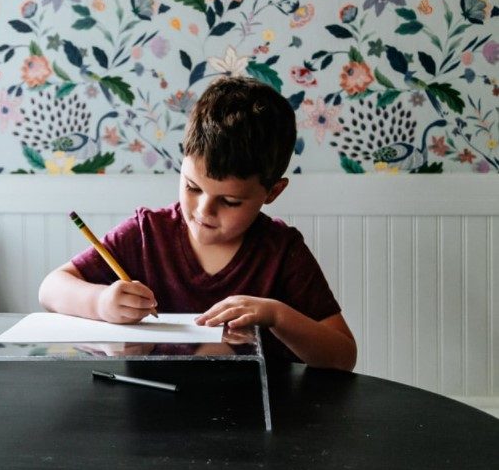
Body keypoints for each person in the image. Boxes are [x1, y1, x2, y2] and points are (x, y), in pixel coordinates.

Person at [38, 76, 357, 371]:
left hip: (251, 420)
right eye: (192, 187)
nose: (204, 210)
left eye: (230, 201)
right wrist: (102, 302)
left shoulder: (281, 251)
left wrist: (277, 316)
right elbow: (51, 289)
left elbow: (343, 357)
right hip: (149, 415)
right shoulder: (147, 233)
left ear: (272, 192)